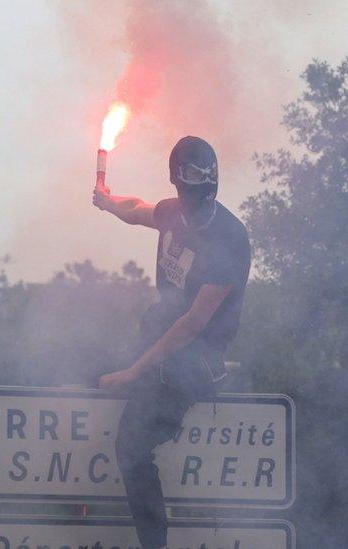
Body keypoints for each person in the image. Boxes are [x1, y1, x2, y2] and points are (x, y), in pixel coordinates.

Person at [93, 136, 251, 549]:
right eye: (192, 176)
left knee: (130, 447)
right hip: (159, 340)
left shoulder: (229, 239)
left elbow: (193, 323)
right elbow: (138, 210)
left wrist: (133, 371)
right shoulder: (173, 213)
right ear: (178, 182)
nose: (200, 185)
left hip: (194, 362)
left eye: (205, 175)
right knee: (89, 364)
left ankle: (154, 546)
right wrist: (108, 202)